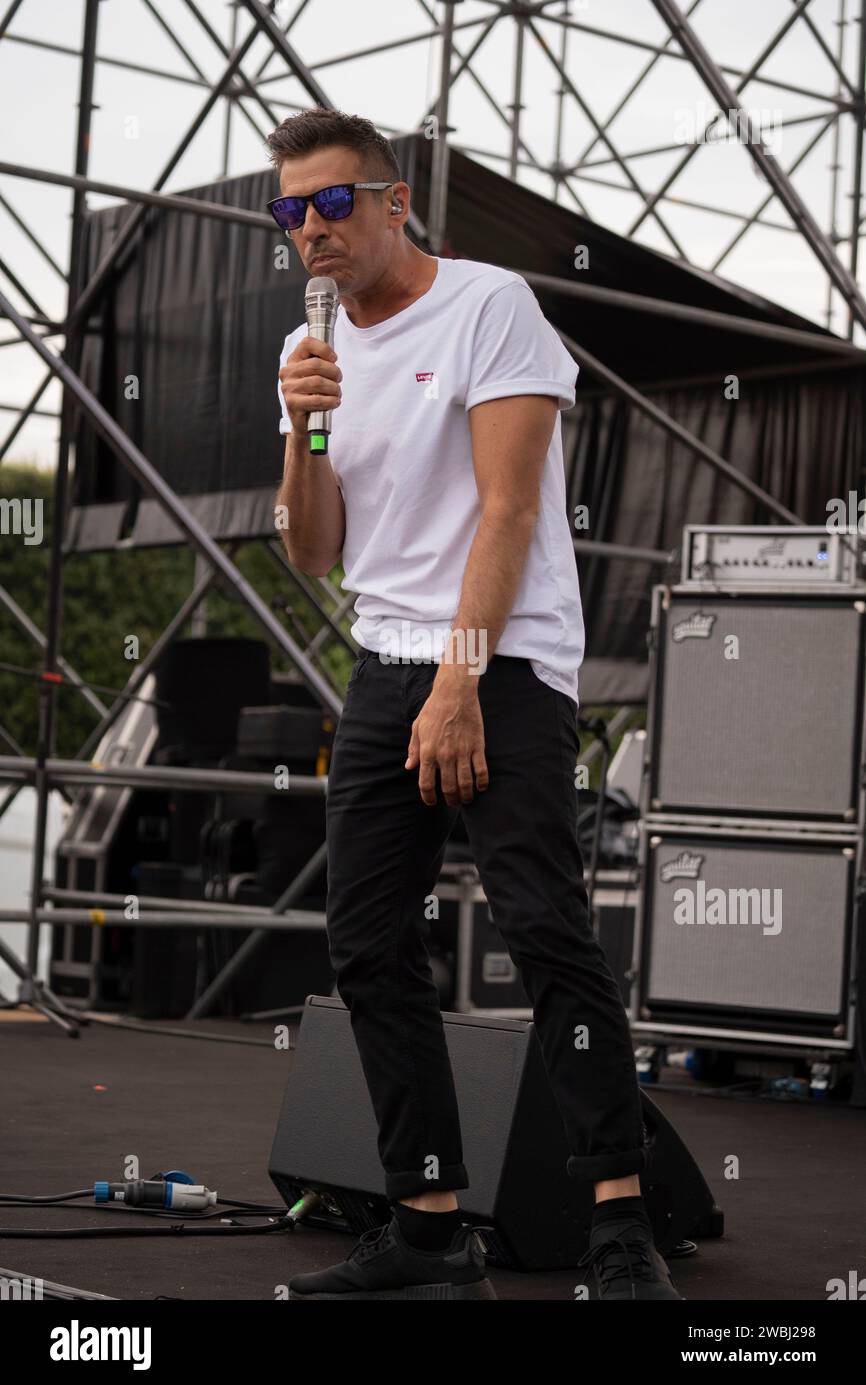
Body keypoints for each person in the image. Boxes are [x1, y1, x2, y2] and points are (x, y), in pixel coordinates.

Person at [267, 106, 681, 1302]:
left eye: (332, 202)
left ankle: (616, 1223)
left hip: (498, 659)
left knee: (544, 927)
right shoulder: (314, 351)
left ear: (394, 202)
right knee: (365, 944)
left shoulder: (488, 304)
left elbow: (505, 512)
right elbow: (312, 549)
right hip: (383, 662)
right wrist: (303, 429)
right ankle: (430, 1227)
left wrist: (459, 680)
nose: (311, 230)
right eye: (289, 212)